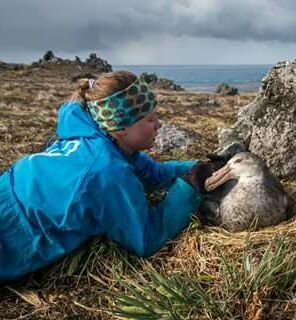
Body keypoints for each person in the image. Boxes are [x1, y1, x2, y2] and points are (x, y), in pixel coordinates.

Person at [0, 71, 216, 280]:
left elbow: (153, 173)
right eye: (150, 119)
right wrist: (189, 187)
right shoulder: (107, 171)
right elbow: (146, 238)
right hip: (13, 232)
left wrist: (198, 166)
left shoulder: (99, 135)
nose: (159, 125)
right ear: (122, 127)